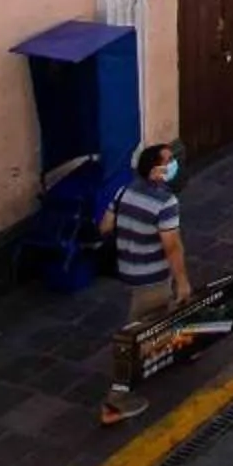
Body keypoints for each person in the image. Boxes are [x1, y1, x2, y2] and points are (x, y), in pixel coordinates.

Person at [101, 141, 190, 426]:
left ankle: (163, 353)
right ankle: (116, 400)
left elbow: (104, 226)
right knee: (134, 334)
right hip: (151, 277)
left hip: (127, 270)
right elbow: (172, 247)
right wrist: (183, 282)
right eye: (168, 162)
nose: (173, 165)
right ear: (155, 172)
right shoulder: (166, 203)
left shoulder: (123, 191)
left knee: (156, 318)